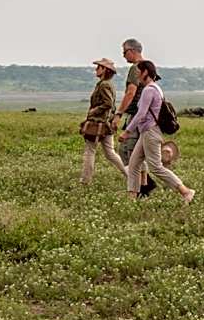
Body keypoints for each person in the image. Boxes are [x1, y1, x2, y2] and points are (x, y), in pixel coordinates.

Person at [121, 60, 195, 203]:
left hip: (150, 132)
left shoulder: (148, 90)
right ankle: (131, 199)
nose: (137, 76)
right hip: (146, 133)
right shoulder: (156, 88)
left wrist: (127, 131)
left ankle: (185, 191)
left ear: (145, 72)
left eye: (138, 73)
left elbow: (141, 113)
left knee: (155, 167)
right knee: (134, 164)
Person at [113, 38, 155, 195]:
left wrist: (118, 114)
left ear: (132, 51)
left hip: (136, 115)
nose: (124, 56)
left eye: (124, 52)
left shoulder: (135, 69)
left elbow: (130, 92)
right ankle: (144, 185)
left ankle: (138, 189)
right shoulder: (149, 67)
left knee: (127, 151)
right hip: (147, 117)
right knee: (139, 151)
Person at [79, 58, 127, 184]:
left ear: (105, 70)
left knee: (90, 151)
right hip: (106, 124)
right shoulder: (106, 84)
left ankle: (85, 181)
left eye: (99, 67)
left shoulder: (104, 84)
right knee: (110, 153)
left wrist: (93, 111)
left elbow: (108, 103)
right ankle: (130, 175)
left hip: (98, 124)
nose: (96, 69)